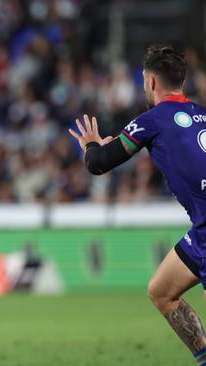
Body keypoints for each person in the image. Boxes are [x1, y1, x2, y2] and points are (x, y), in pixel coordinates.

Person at [69, 44, 206, 364]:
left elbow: (99, 163)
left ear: (152, 82)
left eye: (144, 80)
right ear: (182, 81)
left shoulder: (152, 119)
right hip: (201, 231)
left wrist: (91, 145)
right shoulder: (201, 114)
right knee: (161, 291)